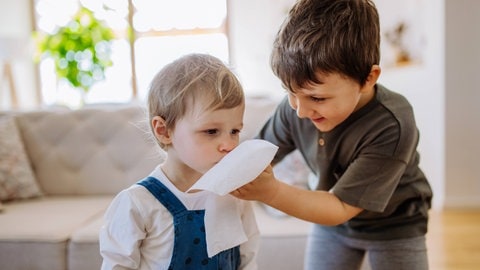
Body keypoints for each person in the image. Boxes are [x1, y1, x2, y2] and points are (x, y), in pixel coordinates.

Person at [231, 0, 433, 269]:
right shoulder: (295, 109)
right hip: (331, 220)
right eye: (290, 92)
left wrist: (271, 191)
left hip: (395, 225)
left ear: (367, 78)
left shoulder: (392, 123)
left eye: (317, 97)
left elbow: (339, 207)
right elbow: (256, 155)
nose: (300, 110)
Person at [100, 53, 259, 270]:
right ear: (164, 131)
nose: (229, 145)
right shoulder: (137, 203)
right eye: (211, 131)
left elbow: (247, 260)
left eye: (235, 131)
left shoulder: (236, 196)